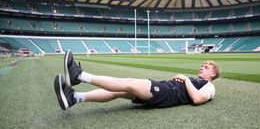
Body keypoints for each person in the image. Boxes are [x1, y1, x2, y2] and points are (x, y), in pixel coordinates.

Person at [54, 50, 221, 110]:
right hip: (164, 91)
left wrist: (185, 79)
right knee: (119, 92)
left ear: (213, 74)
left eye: (206, 67)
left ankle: (78, 75)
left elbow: (197, 99)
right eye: (202, 65)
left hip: (166, 94)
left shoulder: (209, 87)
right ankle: (74, 98)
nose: (202, 68)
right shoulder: (197, 80)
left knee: (128, 82)